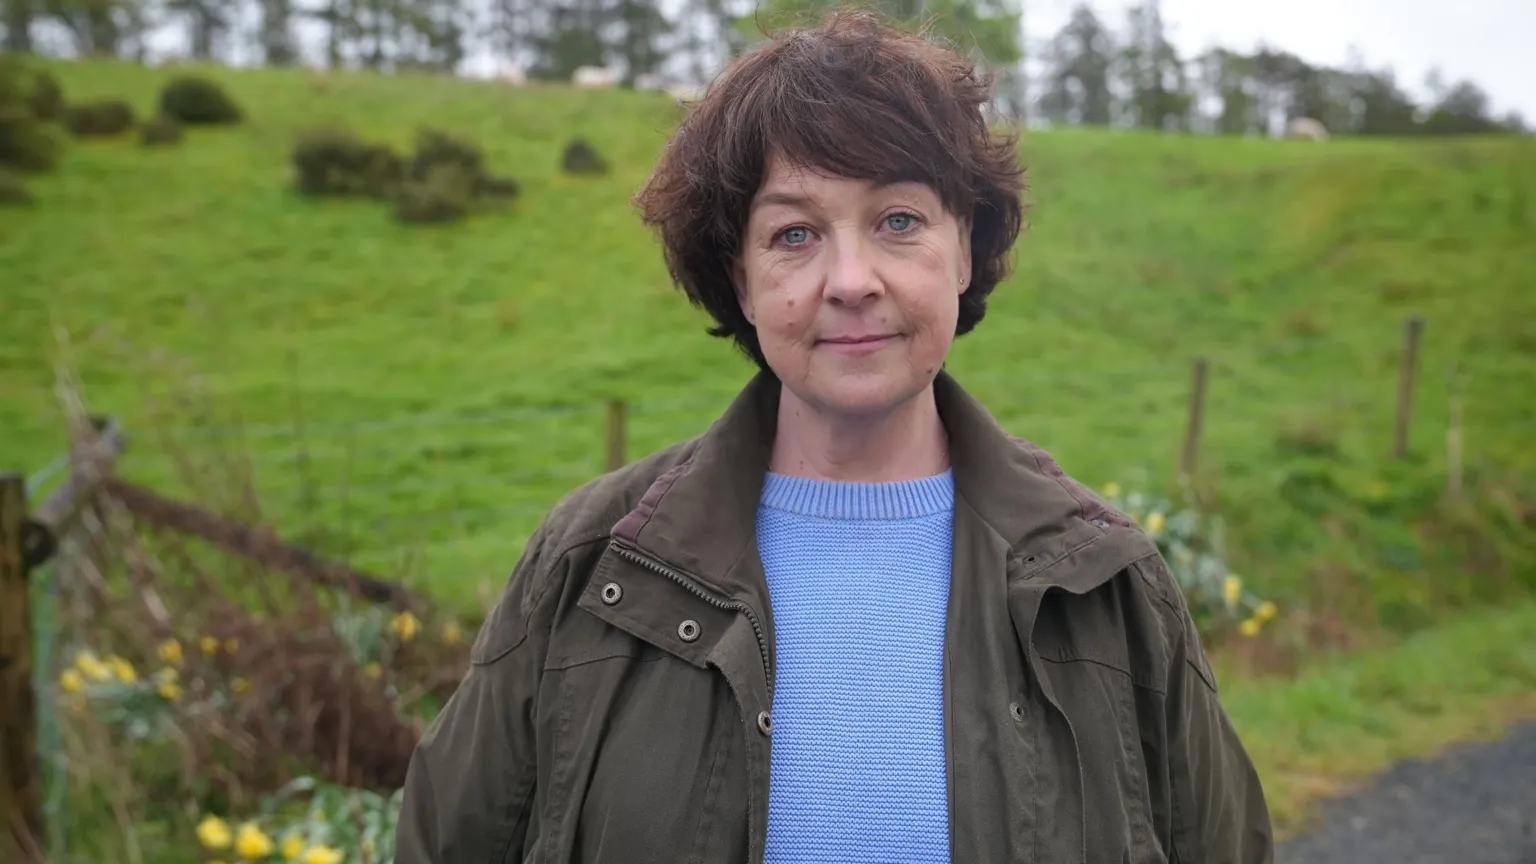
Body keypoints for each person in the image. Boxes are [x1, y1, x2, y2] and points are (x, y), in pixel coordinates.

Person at [394, 10, 1273, 864]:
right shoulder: (587, 570)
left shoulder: (1110, 586)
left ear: (964, 249)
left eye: (898, 220)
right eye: (795, 234)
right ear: (741, 281)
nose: (851, 281)